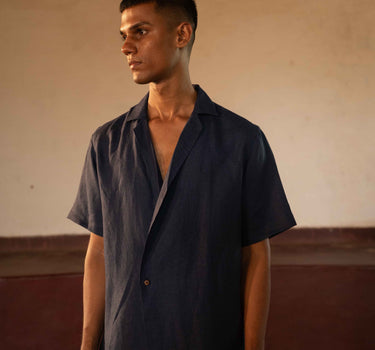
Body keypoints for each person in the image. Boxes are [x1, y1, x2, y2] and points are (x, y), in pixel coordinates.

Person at [68, 0, 296, 349]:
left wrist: (253, 346)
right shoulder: (107, 142)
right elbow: (98, 251)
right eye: (123, 36)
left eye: (140, 32)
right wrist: (87, 344)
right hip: (128, 336)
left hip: (206, 336)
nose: (126, 47)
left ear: (182, 34)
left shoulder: (242, 140)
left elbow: (256, 256)